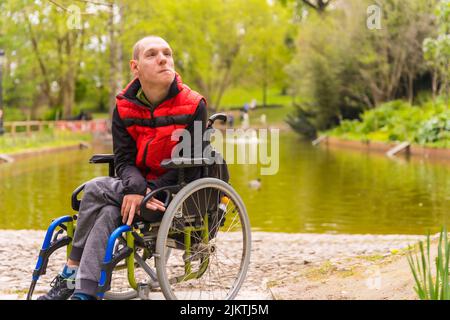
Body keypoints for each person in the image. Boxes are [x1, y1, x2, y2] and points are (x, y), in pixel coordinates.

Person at [38, 36, 208, 300]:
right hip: (133, 189)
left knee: (94, 187)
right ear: (135, 66)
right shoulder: (124, 107)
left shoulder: (194, 104)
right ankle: (86, 292)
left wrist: (148, 190)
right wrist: (136, 189)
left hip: (172, 193)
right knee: (106, 211)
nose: (163, 59)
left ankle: (70, 270)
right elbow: (124, 160)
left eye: (167, 53)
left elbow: (192, 164)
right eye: (152, 54)